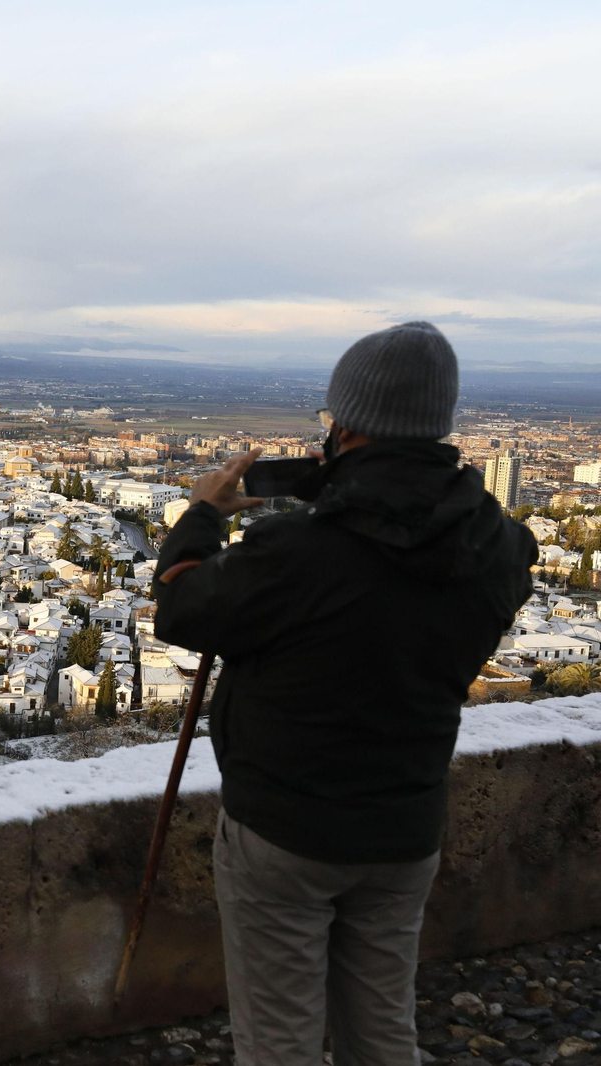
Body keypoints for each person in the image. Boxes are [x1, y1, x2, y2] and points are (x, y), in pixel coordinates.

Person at [152, 321, 535, 1064]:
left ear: (347, 423)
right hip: (405, 820)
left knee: (279, 1040)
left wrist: (202, 518)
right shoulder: (497, 545)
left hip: (285, 827)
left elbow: (183, 611)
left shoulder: (303, 551)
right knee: (384, 1030)